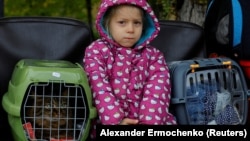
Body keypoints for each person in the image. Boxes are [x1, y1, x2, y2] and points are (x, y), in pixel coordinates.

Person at [83, 0, 176, 127]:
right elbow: (99, 87)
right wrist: (115, 121)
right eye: (122, 22)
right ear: (107, 23)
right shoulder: (96, 51)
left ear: (145, 25)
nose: (130, 29)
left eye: (137, 23)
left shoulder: (154, 56)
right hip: (107, 122)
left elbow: (157, 93)